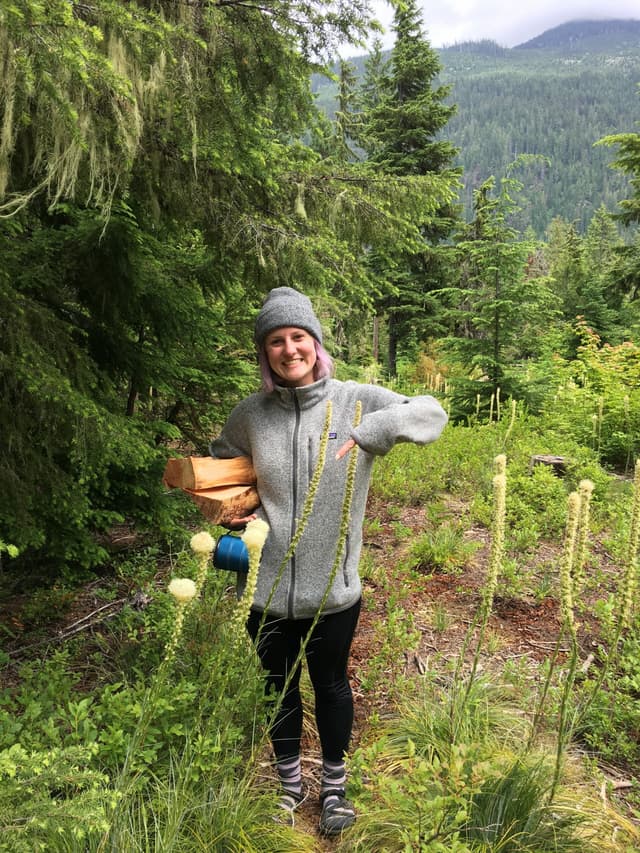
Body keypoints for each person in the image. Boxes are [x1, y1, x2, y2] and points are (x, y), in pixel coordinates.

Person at [209, 286, 447, 836]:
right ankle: (290, 788)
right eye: (276, 341)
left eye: (298, 337)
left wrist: (369, 431)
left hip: (333, 589)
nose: (289, 349)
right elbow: (222, 463)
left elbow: (431, 413)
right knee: (277, 686)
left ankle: (334, 791)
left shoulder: (355, 398)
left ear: (315, 343)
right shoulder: (250, 414)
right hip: (265, 588)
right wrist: (236, 509)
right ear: (265, 352)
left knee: (331, 685)